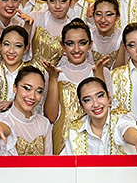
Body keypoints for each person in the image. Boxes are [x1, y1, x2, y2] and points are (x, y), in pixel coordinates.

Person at [44, 19, 112, 153]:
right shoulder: (53, 73)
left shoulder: (103, 72)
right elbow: (51, 117)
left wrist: (99, 76)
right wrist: (53, 79)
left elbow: (108, 111)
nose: (76, 49)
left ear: (90, 44)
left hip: (95, 142)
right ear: (62, 46)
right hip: (62, 142)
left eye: (82, 43)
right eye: (70, 43)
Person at [62, 77, 137, 168]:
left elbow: (126, 128)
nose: (96, 104)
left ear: (109, 97)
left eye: (100, 96)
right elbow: (65, 165)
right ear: (81, 106)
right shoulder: (74, 130)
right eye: (87, 100)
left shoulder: (121, 116)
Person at [0, 66, 53, 155]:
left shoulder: (44, 123)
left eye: (39, 91)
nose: (32, 97)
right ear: (15, 88)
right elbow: (5, 128)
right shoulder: (0, 121)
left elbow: (49, 160)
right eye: (27, 88)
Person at [0, 26, 32, 113]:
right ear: (0, 45)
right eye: (6, 44)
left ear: (25, 49)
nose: (11, 51)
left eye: (18, 46)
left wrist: (15, 104)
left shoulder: (32, 75)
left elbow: (38, 108)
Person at [29, 0, 71, 71]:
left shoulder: (71, 29)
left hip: (56, 75)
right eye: (52, 0)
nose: (57, 6)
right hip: (30, 72)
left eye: (63, 1)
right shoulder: (36, 17)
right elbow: (23, 46)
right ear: (47, 1)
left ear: (70, 2)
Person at [90, 0, 125, 70]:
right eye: (98, 14)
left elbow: (122, 70)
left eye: (108, 15)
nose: (103, 20)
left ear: (117, 17)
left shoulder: (123, 36)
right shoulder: (88, 36)